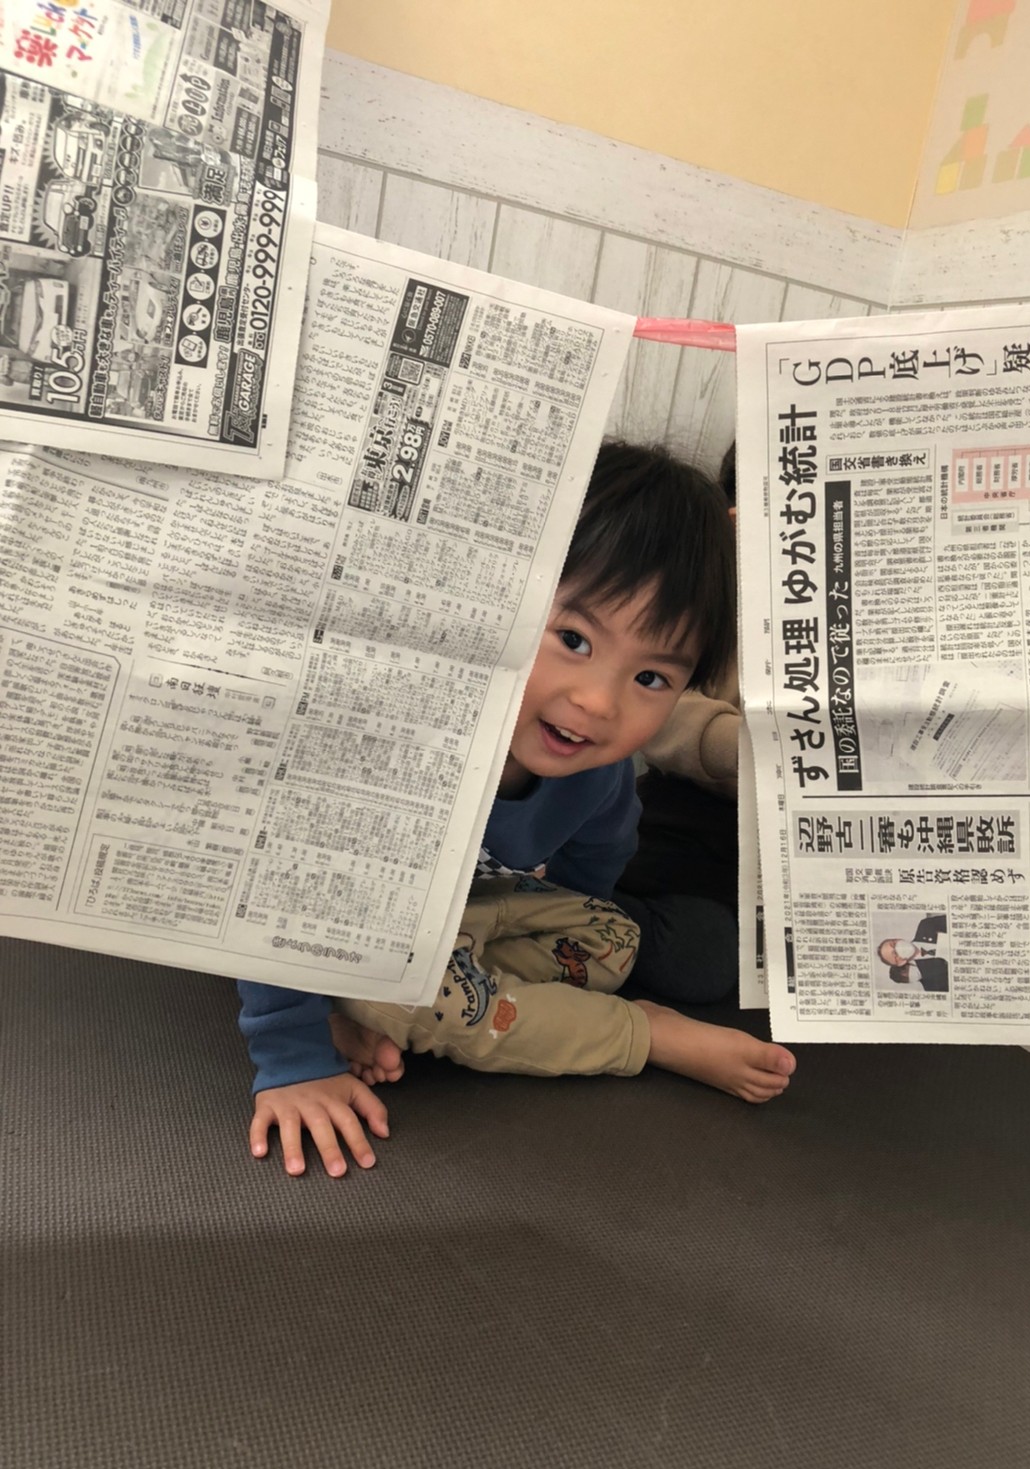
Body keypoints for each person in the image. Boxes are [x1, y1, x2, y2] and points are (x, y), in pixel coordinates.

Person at [239, 441, 796, 1177]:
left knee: (680, 948)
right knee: (404, 996)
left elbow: (593, 865)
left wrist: (558, 925)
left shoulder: (598, 773)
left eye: (652, 678)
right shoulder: (396, 736)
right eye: (573, 640)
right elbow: (273, 900)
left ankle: (410, 1005)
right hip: (330, 926)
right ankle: (642, 1034)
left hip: (474, 914)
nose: (599, 702)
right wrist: (294, 1061)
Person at [613, 441, 740, 1003]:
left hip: (801, 846)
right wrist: (733, 743)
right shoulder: (710, 580)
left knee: (711, 954)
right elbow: (651, 694)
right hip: (692, 808)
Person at [878, 915, 949, 991]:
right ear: (900, 963)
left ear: (898, 939)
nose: (898, 947)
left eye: (894, 944)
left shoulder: (926, 925)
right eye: (895, 953)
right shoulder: (931, 983)